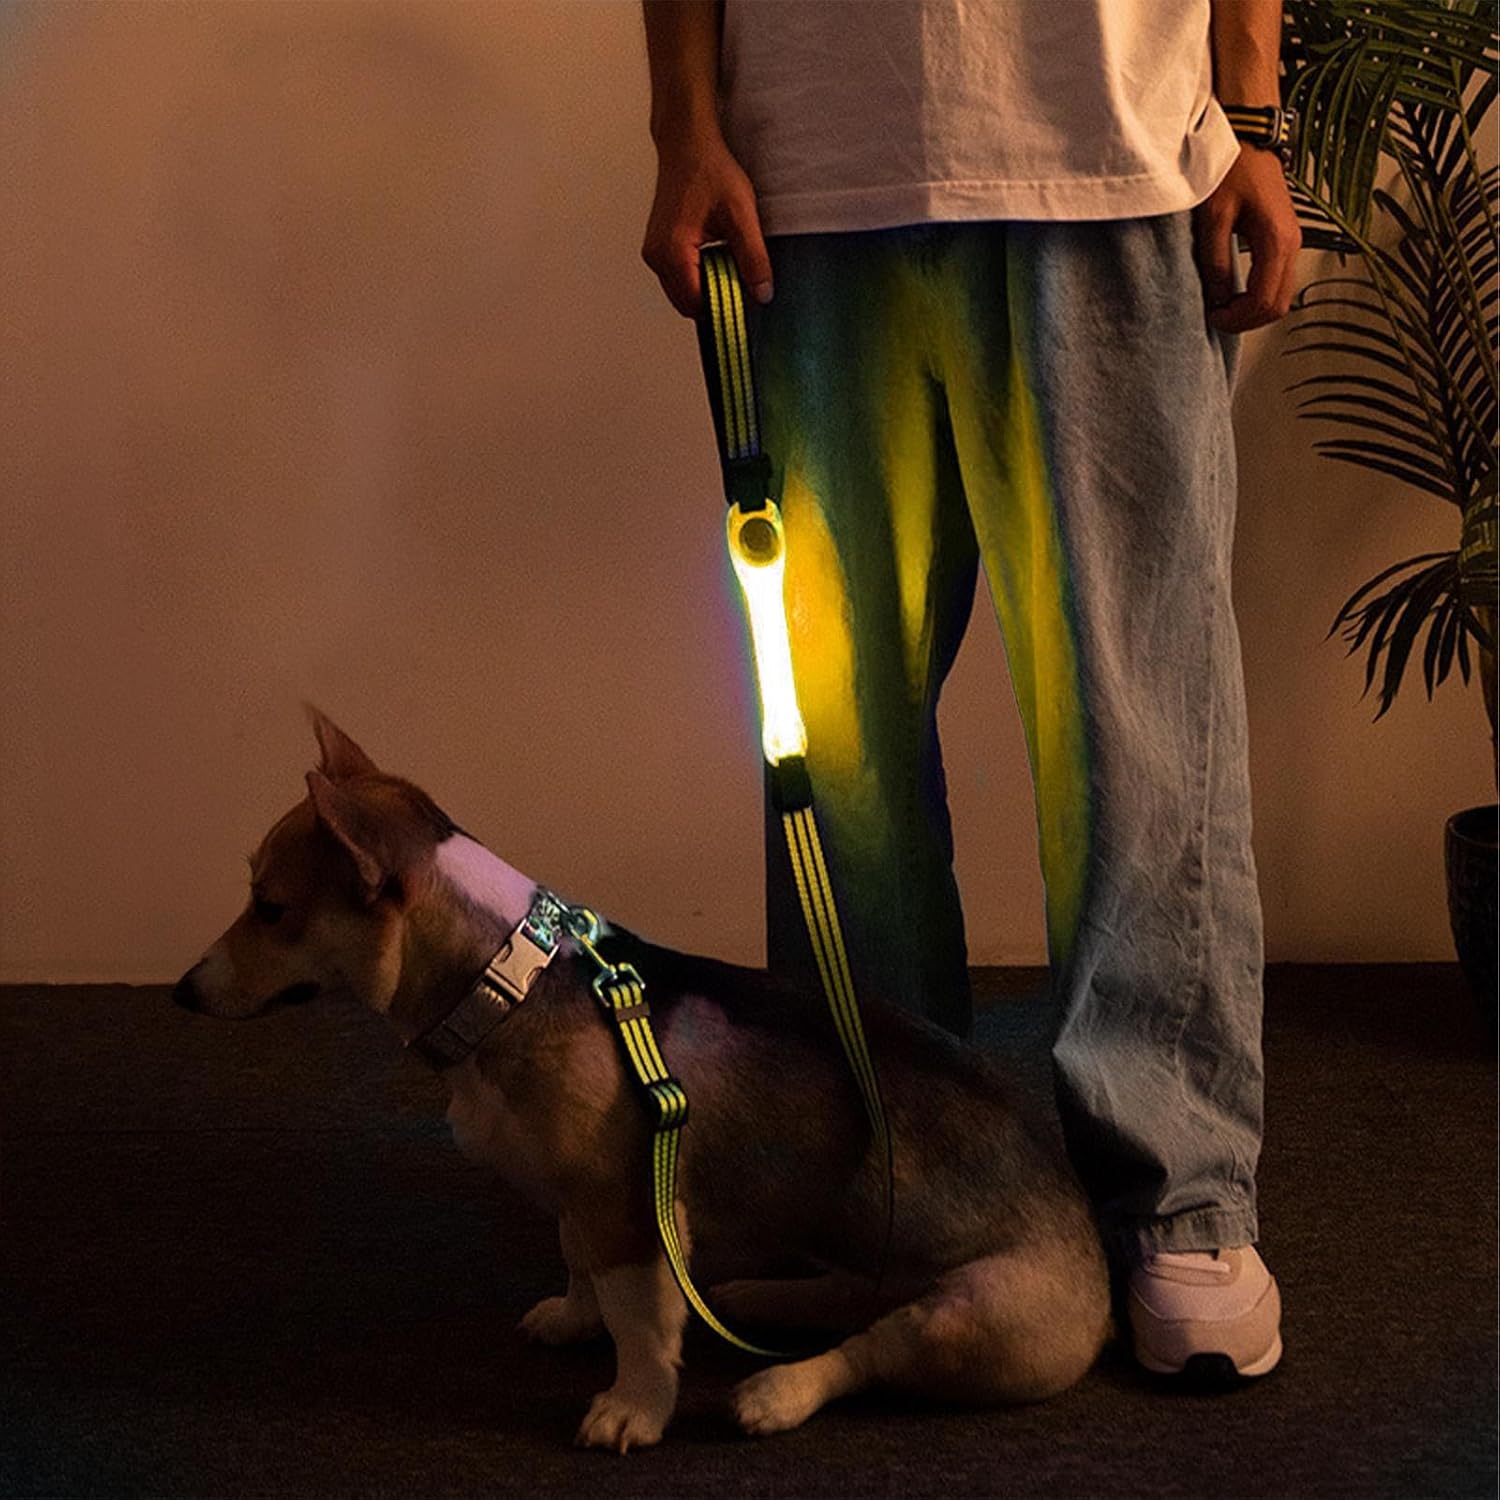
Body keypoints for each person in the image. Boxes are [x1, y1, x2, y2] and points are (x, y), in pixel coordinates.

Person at [640, 0, 1299, 1381]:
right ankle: (886, 1179)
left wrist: (1251, 116)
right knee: (835, 741)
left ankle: (1177, 1198)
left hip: (1113, 151)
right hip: (811, 172)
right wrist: (684, 124)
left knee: (1139, 721)